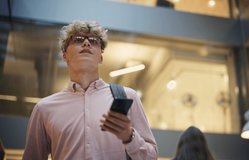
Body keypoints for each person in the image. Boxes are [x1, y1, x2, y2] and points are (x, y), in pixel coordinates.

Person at [23, 20, 158, 160]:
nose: (86, 43)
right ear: (64, 55)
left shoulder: (128, 97)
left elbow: (152, 157)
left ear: (101, 57)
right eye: (78, 39)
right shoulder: (44, 108)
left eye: (94, 41)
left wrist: (130, 137)